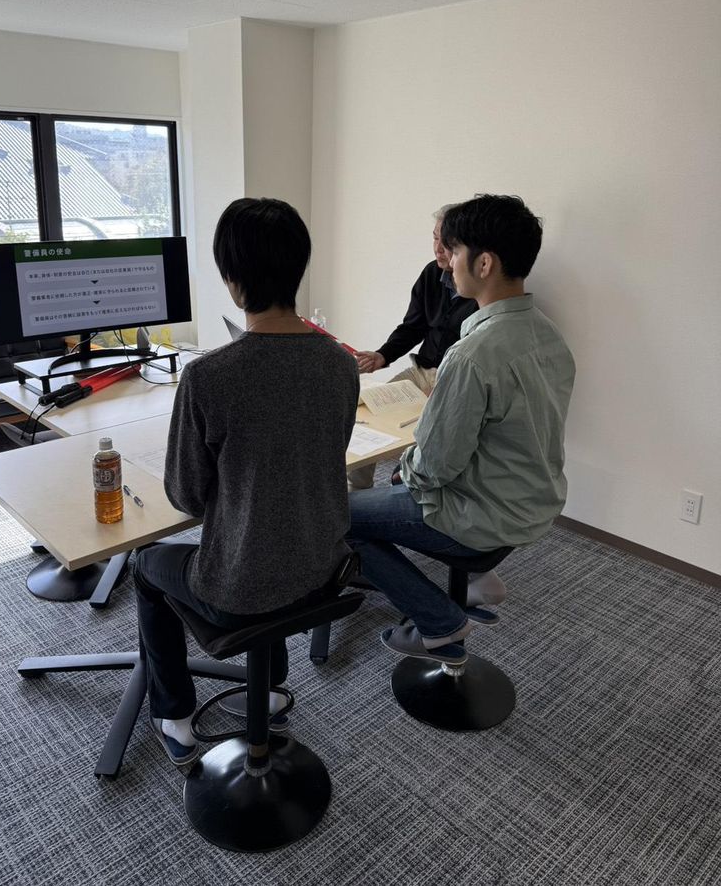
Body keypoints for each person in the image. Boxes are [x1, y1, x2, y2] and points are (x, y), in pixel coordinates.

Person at [135, 198, 359, 766]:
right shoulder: (340, 363)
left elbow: (186, 497)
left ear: (233, 281)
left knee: (145, 564)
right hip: (324, 571)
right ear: (299, 267)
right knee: (270, 535)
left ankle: (175, 715)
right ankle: (270, 686)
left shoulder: (208, 377)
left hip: (240, 592)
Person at [347, 194, 575, 666]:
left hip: (480, 516)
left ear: (484, 263)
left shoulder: (472, 354)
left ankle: (438, 621)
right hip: (532, 504)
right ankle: (474, 586)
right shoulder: (548, 335)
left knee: (332, 515)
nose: (447, 262)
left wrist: (406, 470)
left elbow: (433, 467)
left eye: (453, 251)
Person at [349, 206, 478, 489]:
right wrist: (382, 355)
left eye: (447, 243)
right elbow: (413, 327)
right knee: (364, 414)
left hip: (452, 380)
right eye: (435, 238)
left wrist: (445, 387)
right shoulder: (431, 274)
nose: (438, 249)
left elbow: (474, 355)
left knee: (418, 436)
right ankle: (357, 490)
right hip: (420, 372)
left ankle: (405, 484)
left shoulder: (479, 288)